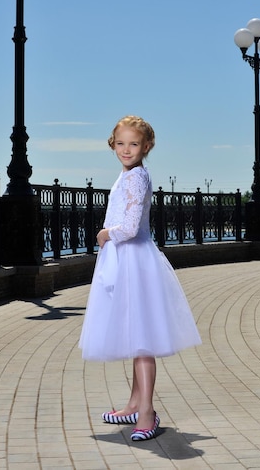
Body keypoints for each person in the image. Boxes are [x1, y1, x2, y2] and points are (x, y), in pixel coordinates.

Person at [79, 115, 201, 442]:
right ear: (112, 145)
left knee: (142, 340)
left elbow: (131, 227)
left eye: (133, 144)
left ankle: (146, 412)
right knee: (137, 336)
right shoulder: (129, 175)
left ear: (146, 146)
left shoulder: (135, 178)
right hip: (129, 259)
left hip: (133, 259)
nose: (126, 149)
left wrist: (105, 233)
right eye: (121, 143)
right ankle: (134, 404)